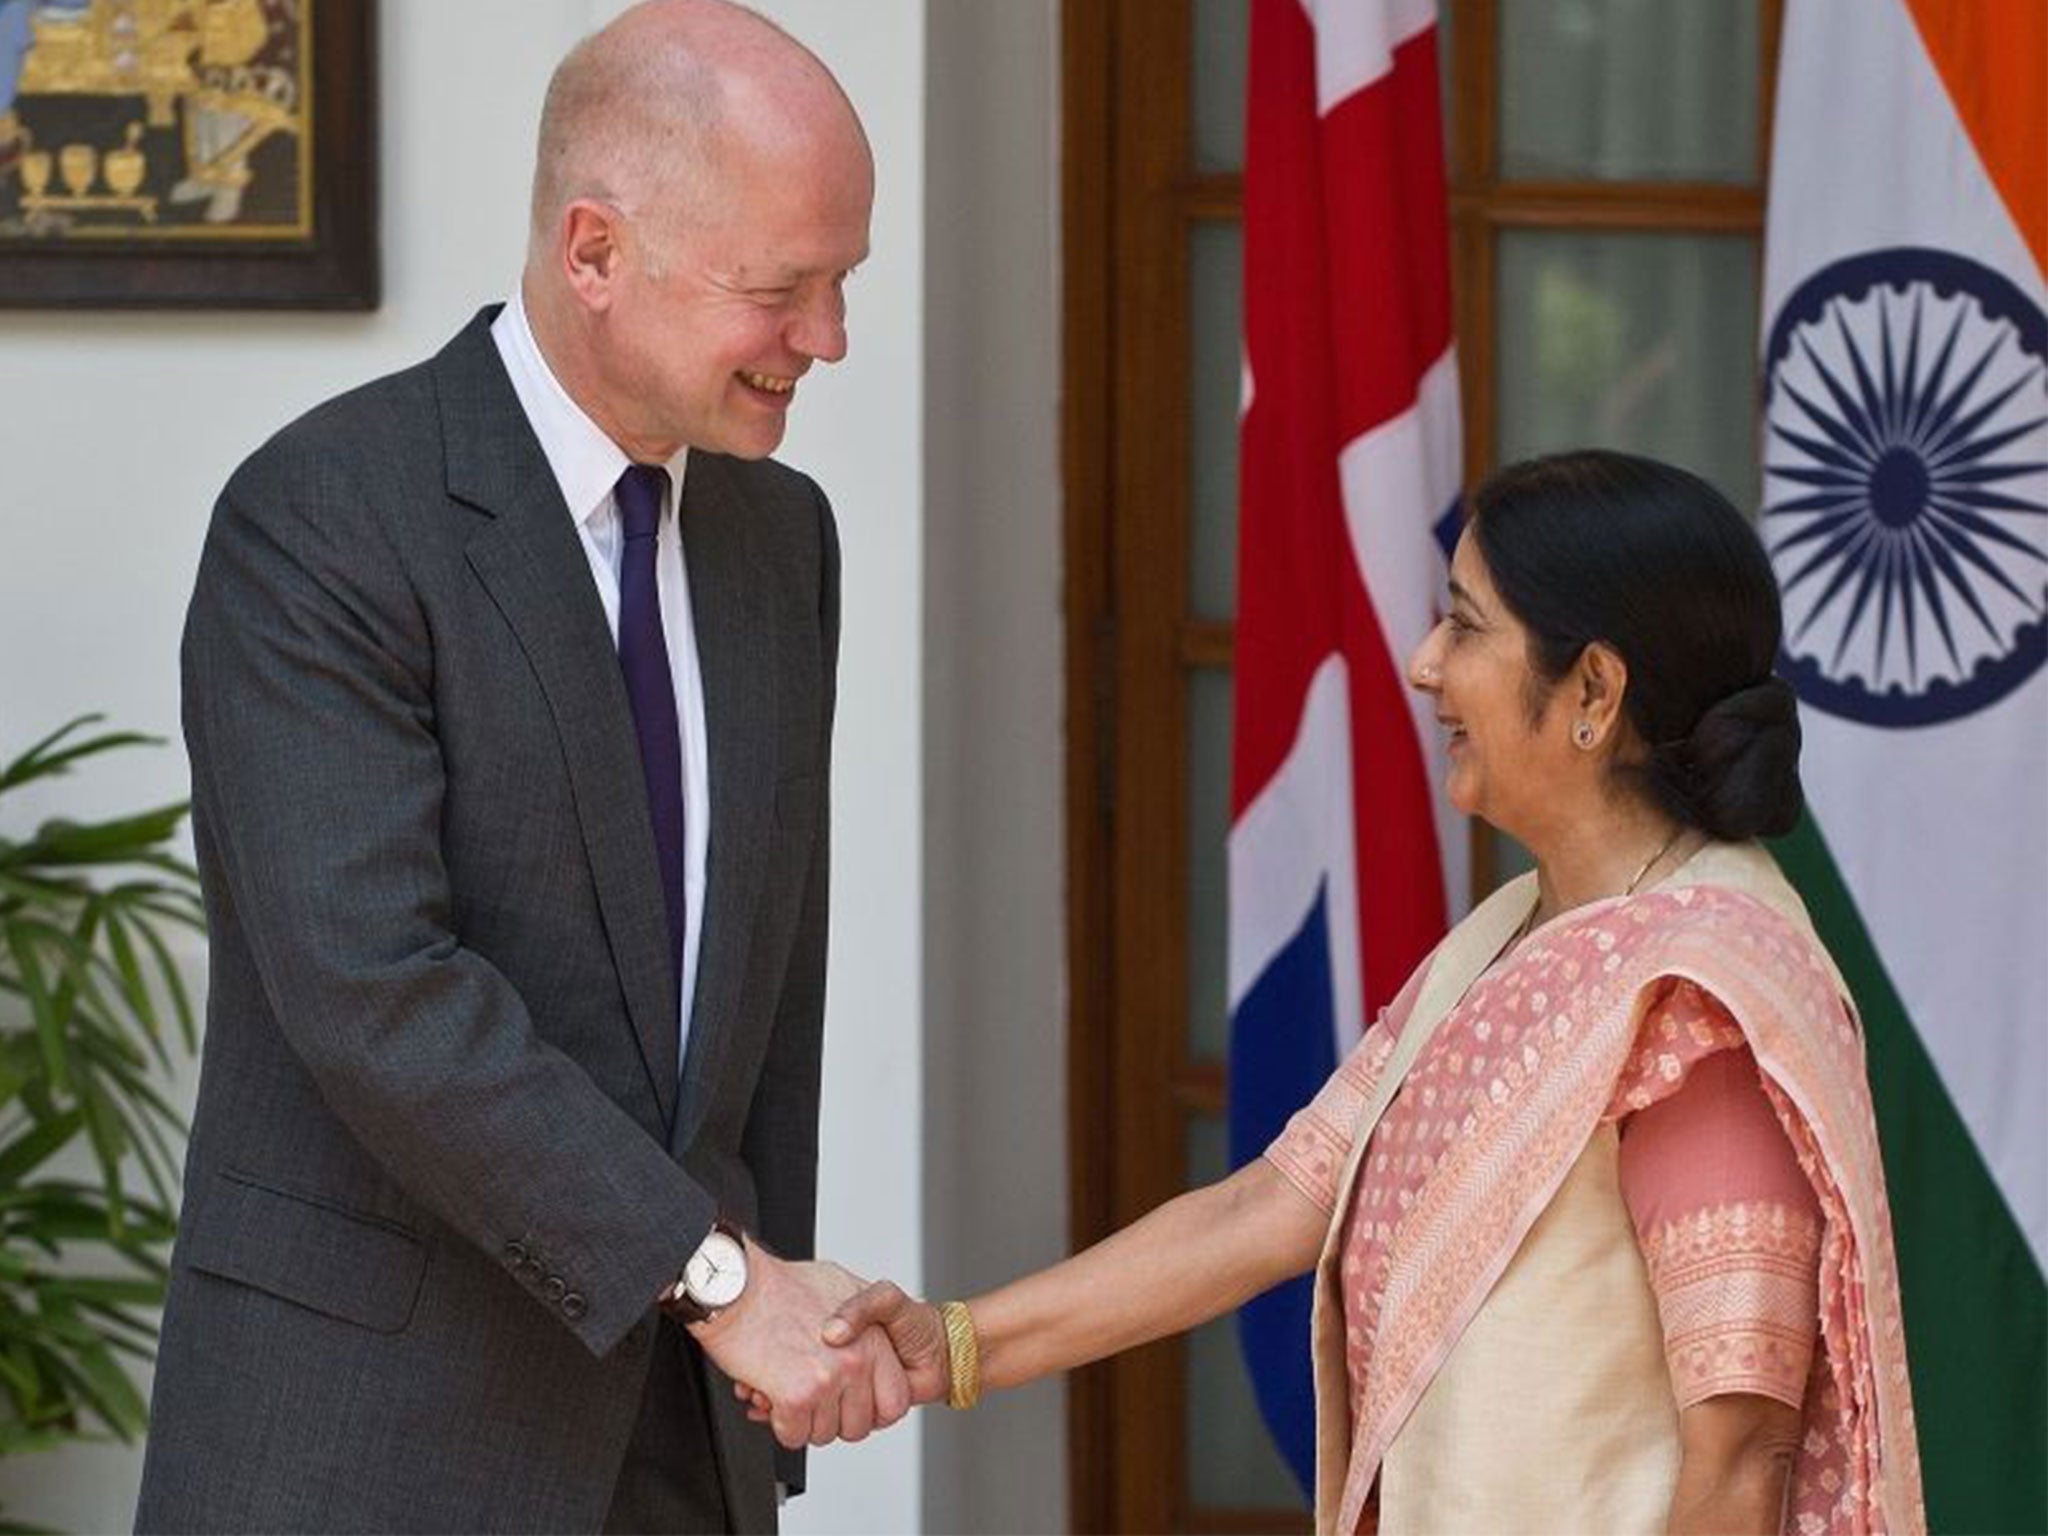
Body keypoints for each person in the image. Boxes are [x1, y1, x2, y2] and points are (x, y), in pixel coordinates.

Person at [795, 451, 1926, 1535]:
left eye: (1467, 626)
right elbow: (1268, 1207)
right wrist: (952, 1346)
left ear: (1591, 689)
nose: (1424, 661)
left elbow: (1740, 1451)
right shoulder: (1510, 932)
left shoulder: (1695, 993)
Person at [135, 4, 908, 1531]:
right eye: (781, 288)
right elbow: (378, 997)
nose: (827, 340)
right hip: (370, 1449)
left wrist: (770, 1356)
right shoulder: (323, 520)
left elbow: (769, 1009)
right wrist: (715, 1277)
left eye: (843, 283)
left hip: (684, 1445)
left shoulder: (780, 537)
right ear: (594, 251)